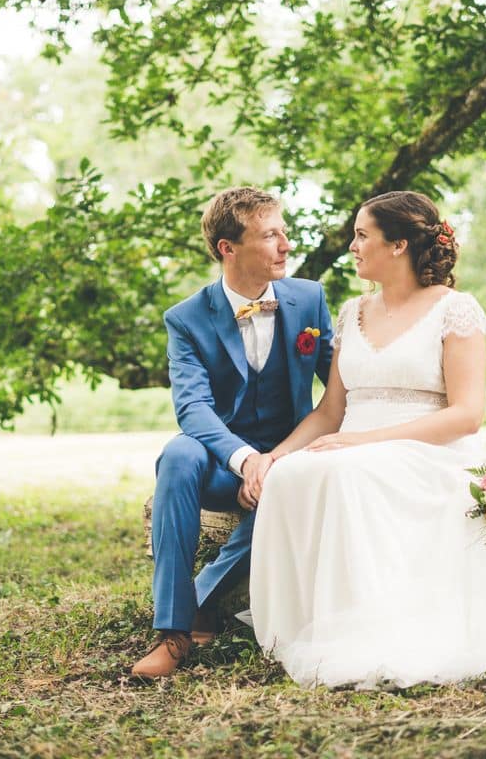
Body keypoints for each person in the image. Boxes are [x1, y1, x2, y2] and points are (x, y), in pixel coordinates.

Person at [247, 190, 486, 689]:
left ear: (398, 245)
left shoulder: (455, 310)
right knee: (289, 475)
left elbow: (466, 415)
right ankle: (296, 629)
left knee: (348, 473)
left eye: (362, 235)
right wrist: (275, 455)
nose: (352, 246)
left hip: (430, 453)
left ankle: (362, 630)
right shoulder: (352, 312)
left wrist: (365, 442)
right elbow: (331, 412)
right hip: (350, 447)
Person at [130, 187, 334, 679]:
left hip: (291, 458)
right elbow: (192, 408)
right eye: (270, 236)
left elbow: (338, 387)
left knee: (293, 490)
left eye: (284, 232)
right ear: (229, 248)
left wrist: (276, 462)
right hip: (222, 463)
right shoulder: (186, 318)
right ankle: (173, 634)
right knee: (178, 455)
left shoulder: (309, 299)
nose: (286, 245)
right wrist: (245, 461)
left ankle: (198, 599)